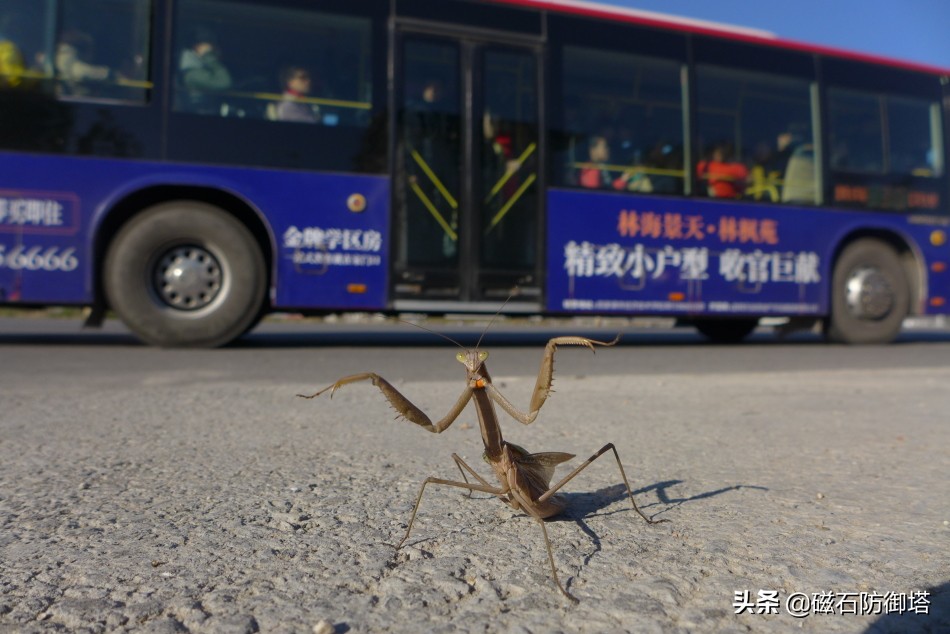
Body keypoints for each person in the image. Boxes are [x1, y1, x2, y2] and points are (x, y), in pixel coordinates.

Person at [178, 27, 231, 113]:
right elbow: (224, 83)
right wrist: (209, 56)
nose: (216, 51)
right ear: (198, 47)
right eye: (212, 48)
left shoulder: (197, 68)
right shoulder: (192, 74)